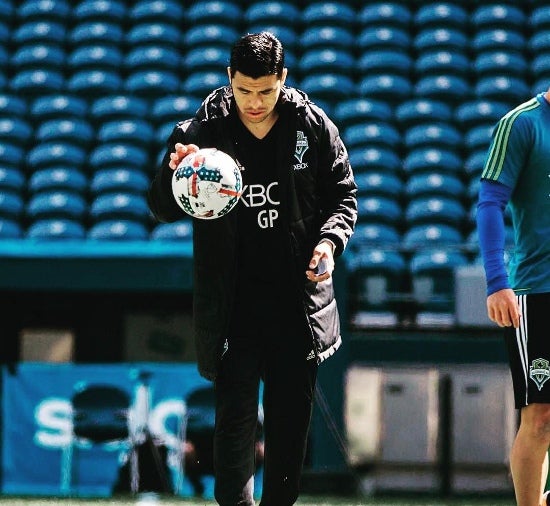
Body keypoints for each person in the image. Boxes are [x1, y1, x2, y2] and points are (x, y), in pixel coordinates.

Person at [148, 32, 357, 506]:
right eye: (244, 91)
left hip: (297, 304)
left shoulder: (313, 126)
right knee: (234, 429)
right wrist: (173, 173)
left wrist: (328, 242)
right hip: (233, 307)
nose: (255, 102)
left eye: (266, 90)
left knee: (288, 434)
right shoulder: (200, 132)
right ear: (229, 79)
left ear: (283, 78)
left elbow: (344, 196)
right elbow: (159, 206)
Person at [476, 89, 550, 506]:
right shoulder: (521, 123)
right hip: (538, 291)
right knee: (540, 418)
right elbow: (490, 203)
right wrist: (496, 281)